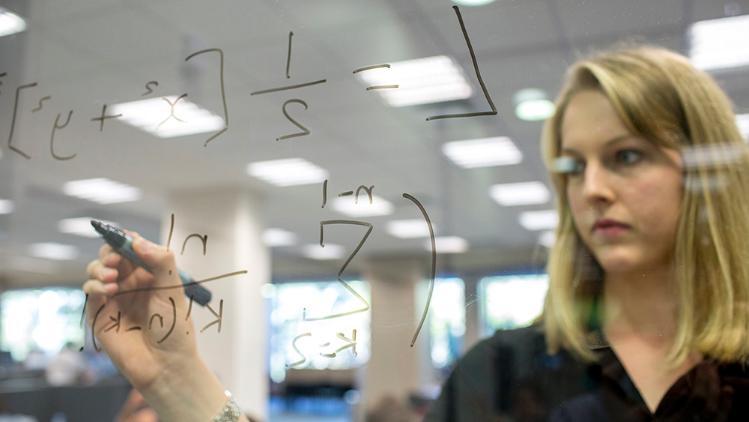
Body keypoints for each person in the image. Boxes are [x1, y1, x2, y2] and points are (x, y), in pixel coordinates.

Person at [425, 45, 749, 421]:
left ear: (704, 176)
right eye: (575, 167)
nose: (592, 188)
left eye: (626, 156)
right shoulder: (498, 373)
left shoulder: (734, 374)